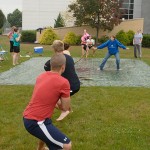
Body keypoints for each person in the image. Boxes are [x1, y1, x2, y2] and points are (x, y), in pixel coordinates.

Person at [23, 53, 72, 150]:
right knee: (67, 145)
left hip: (31, 117)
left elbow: (48, 98)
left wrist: (58, 103)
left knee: (47, 133)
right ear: (63, 67)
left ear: (51, 64)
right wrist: (63, 107)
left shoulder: (41, 76)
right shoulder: (64, 82)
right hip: (36, 121)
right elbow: (66, 107)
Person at [44, 40, 80, 121]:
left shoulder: (56, 60)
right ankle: (68, 110)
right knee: (56, 97)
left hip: (72, 86)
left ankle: (65, 110)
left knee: (52, 99)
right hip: (72, 84)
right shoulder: (69, 57)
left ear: (53, 49)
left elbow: (46, 67)